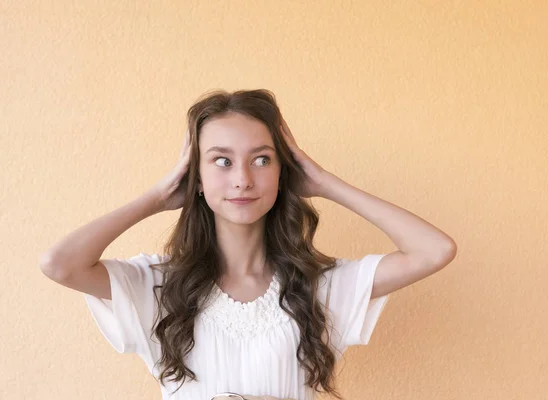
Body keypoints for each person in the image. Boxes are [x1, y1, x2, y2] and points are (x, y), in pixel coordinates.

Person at [39, 89, 457, 400]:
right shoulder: (160, 286)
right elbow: (60, 264)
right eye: (222, 160)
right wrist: (154, 198)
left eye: (261, 159)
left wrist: (326, 183)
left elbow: (434, 250)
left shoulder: (319, 286)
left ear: (283, 172)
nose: (242, 179)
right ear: (195, 177)